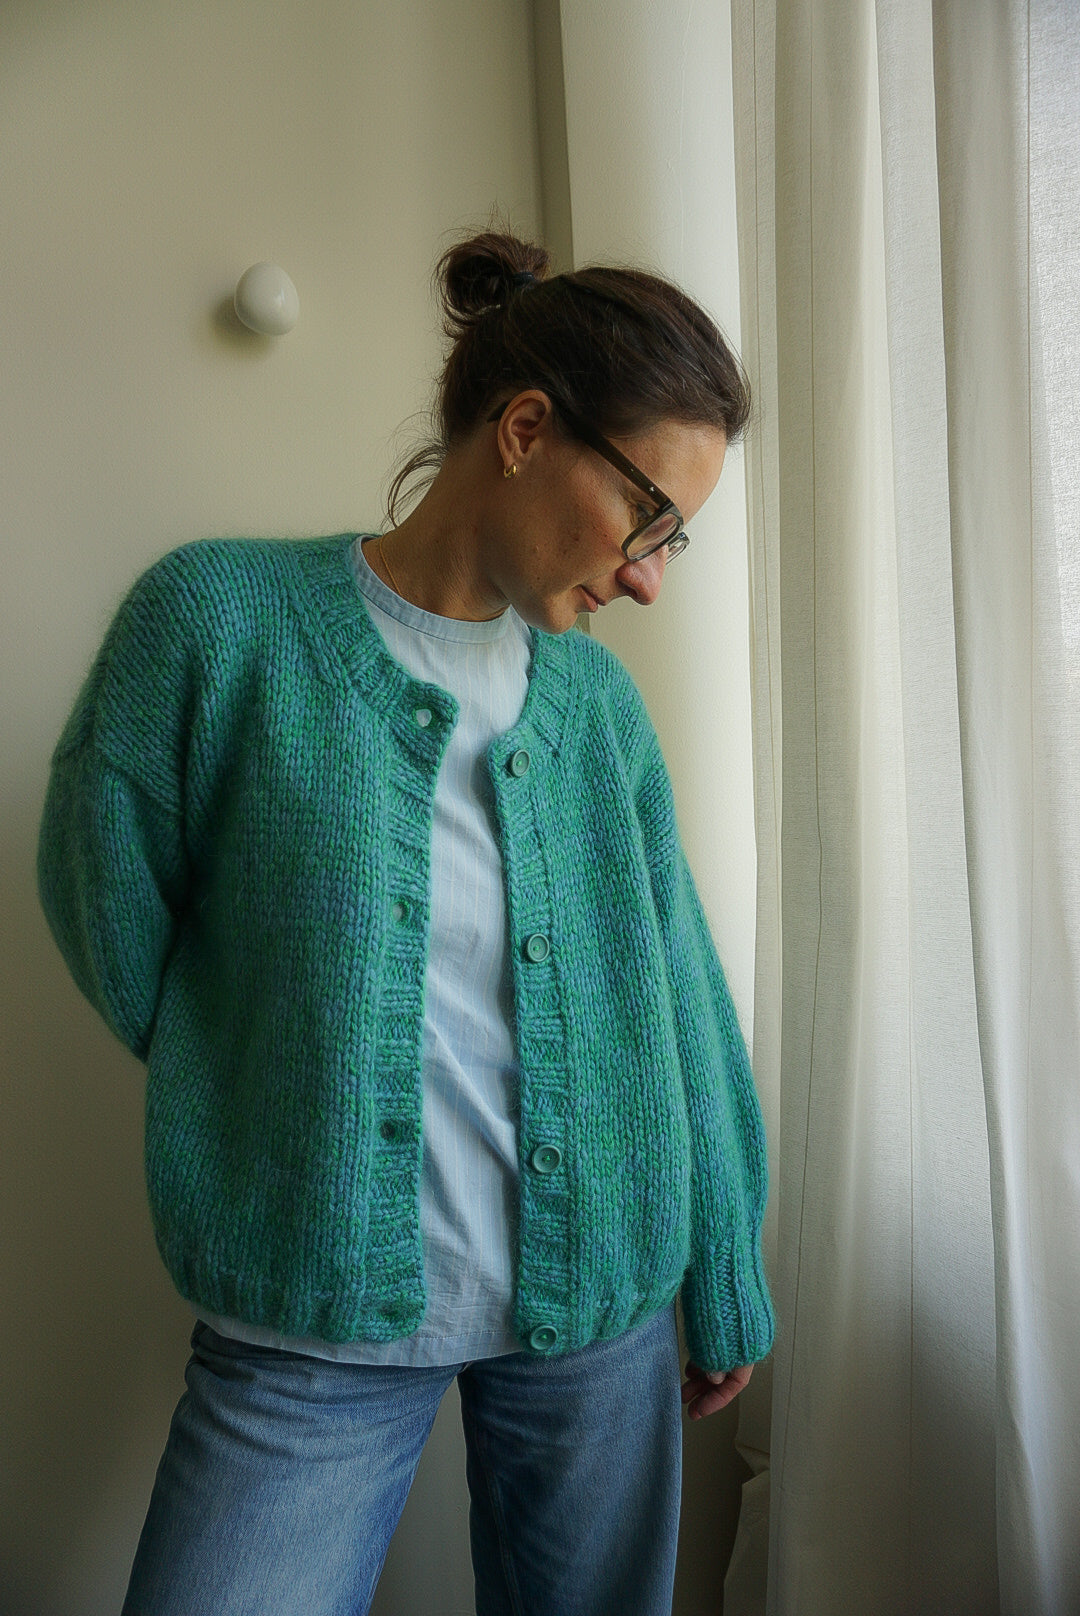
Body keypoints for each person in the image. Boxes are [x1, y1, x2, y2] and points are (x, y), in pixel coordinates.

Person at [37, 227, 774, 1616]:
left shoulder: (597, 712)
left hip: (598, 1316)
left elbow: (680, 990)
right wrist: (241, 1071)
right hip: (304, 1316)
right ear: (527, 430)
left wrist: (724, 1261)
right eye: (648, 520)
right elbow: (103, 889)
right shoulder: (218, 626)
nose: (650, 577)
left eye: (679, 540)